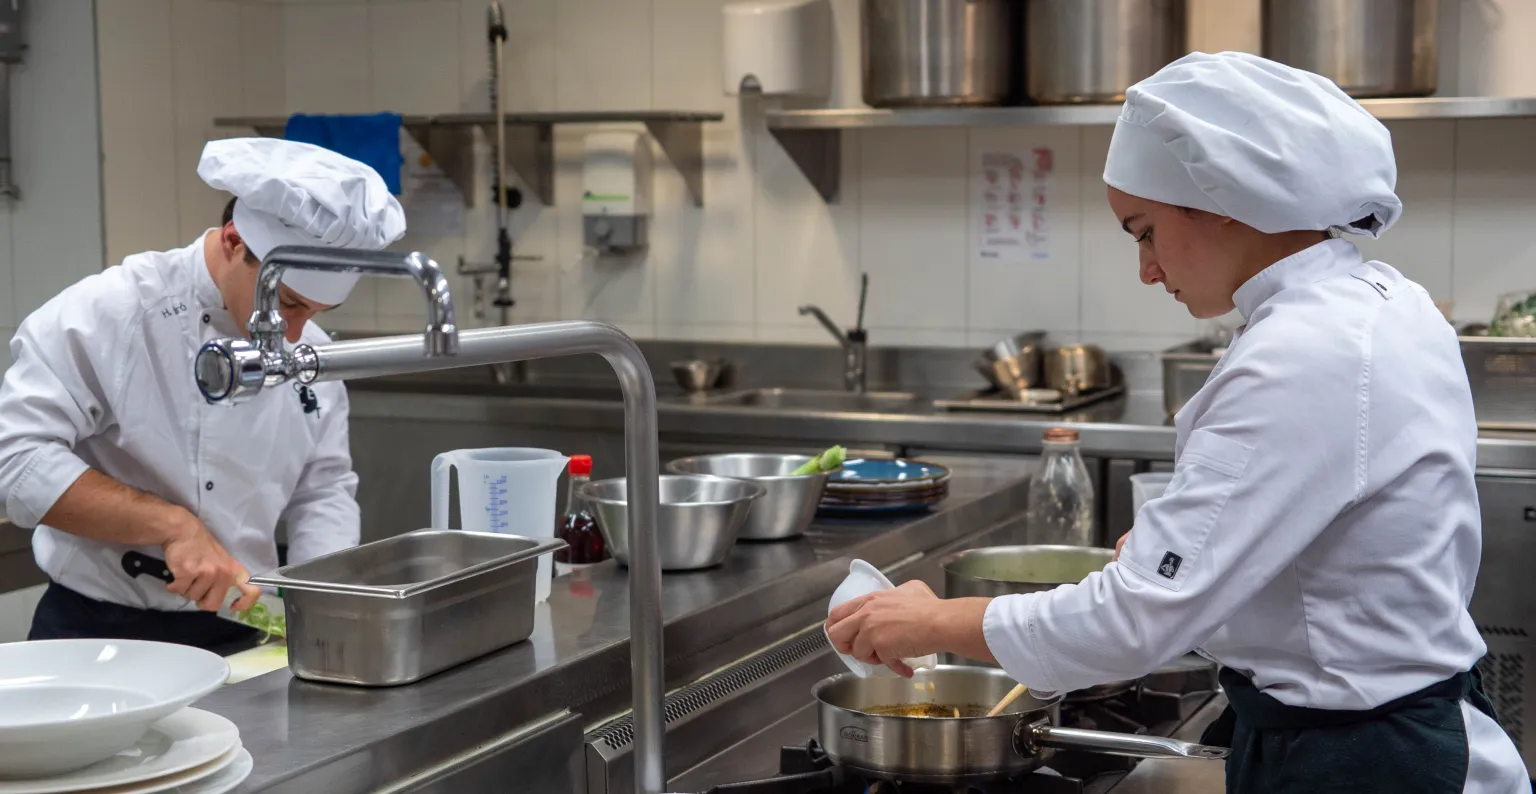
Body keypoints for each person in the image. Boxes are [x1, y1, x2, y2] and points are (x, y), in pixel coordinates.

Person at [826, 52, 1531, 793]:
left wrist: (931, 623)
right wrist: (1198, 556)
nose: (1147, 269)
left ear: (1220, 195)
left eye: (1144, 231)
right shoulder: (1376, 298)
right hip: (1372, 735)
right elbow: (1329, 563)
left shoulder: (1304, 353)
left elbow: (1135, 623)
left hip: (1365, 764)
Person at [0, 138, 405, 652]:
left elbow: (321, 489)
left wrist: (320, 600)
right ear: (235, 242)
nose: (296, 334)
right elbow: (16, 460)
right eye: (287, 302)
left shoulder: (308, 352)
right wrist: (170, 526)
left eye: (316, 313)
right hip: (95, 633)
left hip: (243, 631)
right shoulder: (111, 313)